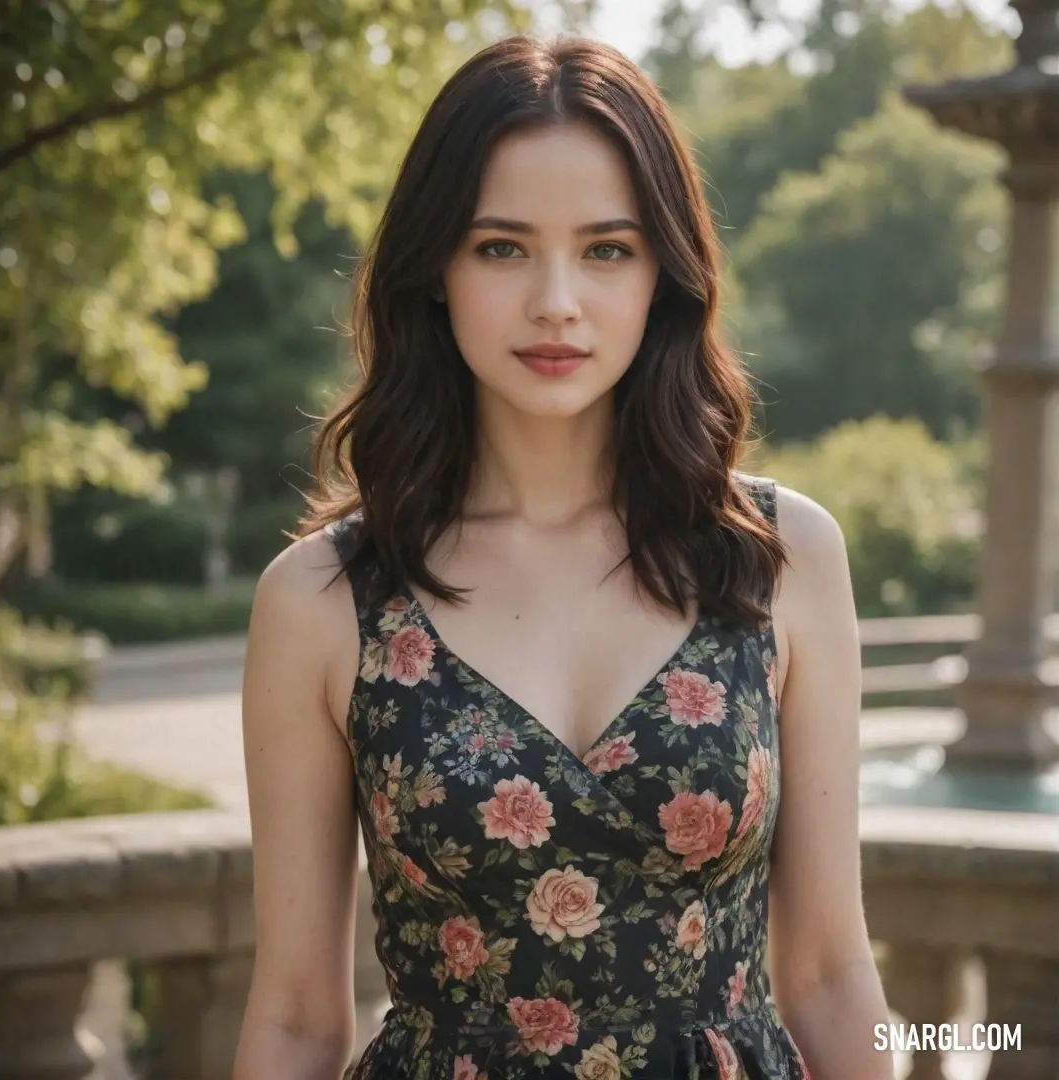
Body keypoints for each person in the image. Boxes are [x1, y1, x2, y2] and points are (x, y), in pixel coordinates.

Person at [232, 33, 895, 1080]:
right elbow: (298, 1015)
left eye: (607, 249)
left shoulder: (779, 558)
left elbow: (826, 970)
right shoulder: (323, 600)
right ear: (435, 270)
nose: (556, 302)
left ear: (663, 276)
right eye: (501, 247)